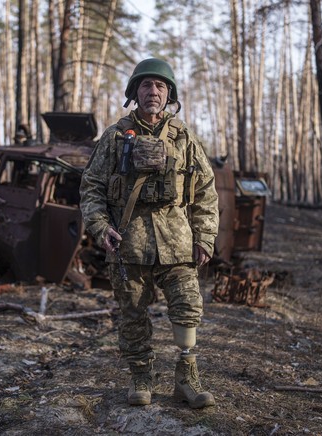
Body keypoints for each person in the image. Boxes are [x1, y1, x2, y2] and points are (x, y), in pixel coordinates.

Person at [79, 58, 219, 408]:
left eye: (159, 85)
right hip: (130, 241)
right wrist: (100, 226)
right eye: (146, 85)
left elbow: (205, 191)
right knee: (133, 314)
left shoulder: (184, 137)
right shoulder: (115, 137)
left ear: (169, 93)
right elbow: (91, 187)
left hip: (177, 240)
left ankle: (186, 379)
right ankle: (140, 377)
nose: (153, 91)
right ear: (134, 92)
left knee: (188, 308)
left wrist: (205, 237)